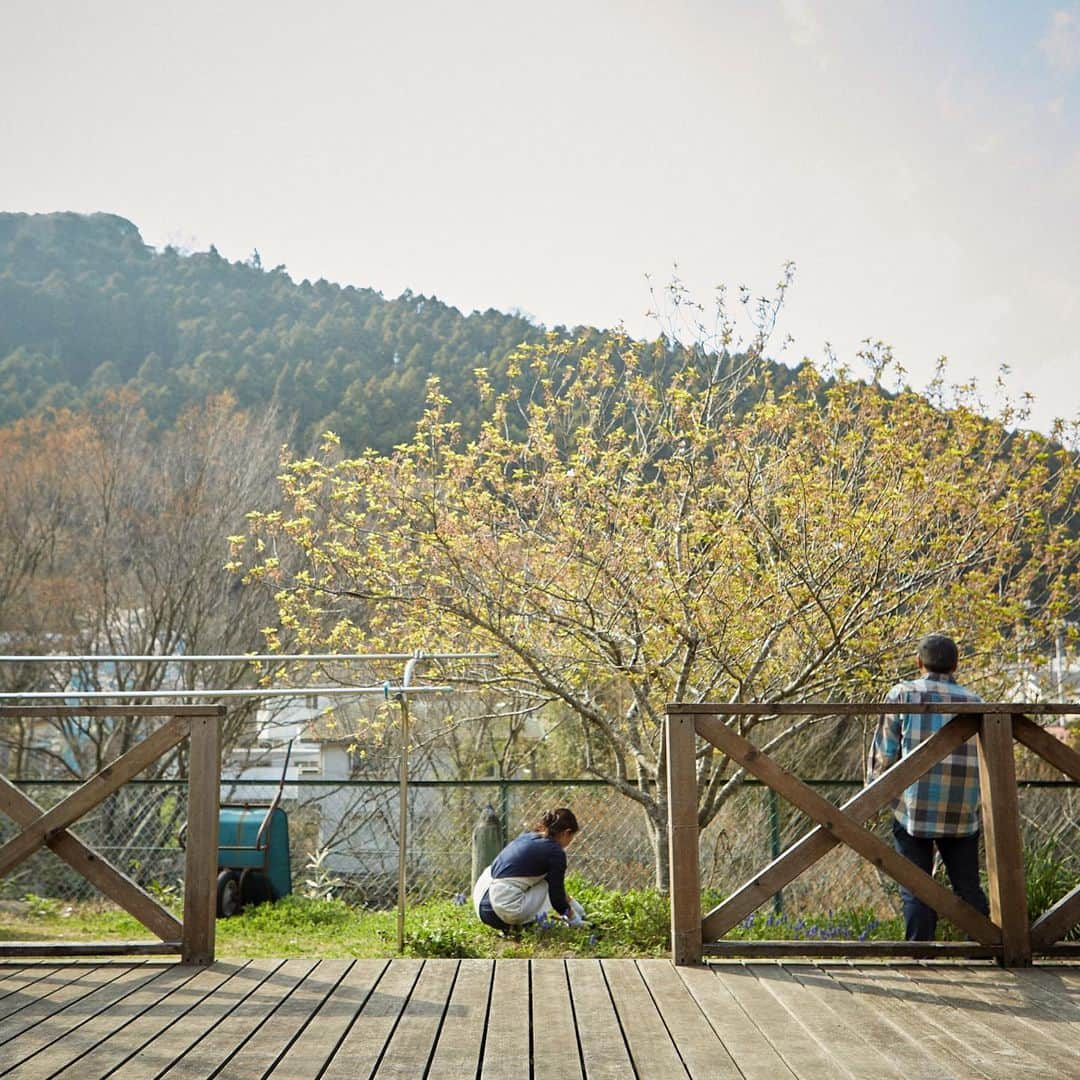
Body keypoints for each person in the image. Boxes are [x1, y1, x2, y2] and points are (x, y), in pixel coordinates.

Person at [868, 632, 990, 940]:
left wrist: (870, 798)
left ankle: (919, 953)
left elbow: (884, 753)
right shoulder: (975, 701)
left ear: (918, 662)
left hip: (913, 808)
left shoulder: (903, 695)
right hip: (961, 808)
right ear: (956, 664)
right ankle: (986, 949)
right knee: (968, 887)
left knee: (916, 887)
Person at [472, 807, 585, 932]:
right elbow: (556, 897)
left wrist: (573, 904)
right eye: (571, 837)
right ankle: (517, 923)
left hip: (482, 899)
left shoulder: (527, 836)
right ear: (566, 833)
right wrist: (574, 918)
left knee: (540, 880)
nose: (570, 842)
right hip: (499, 908)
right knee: (548, 885)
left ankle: (512, 927)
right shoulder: (556, 852)